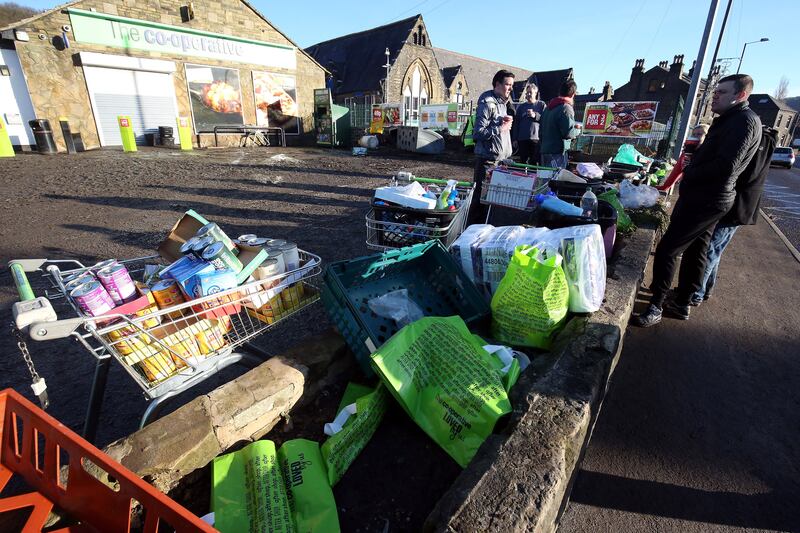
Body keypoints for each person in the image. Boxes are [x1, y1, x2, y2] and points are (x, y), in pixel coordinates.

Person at [633, 74, 762, 327]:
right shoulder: (730, 120)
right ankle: (682, 302)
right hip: (707, 197)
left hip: (706, 199)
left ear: (740, 95)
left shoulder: (743, 123)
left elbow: (727, 166)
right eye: (715, 91)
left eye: (722, 92)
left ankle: (656, 305)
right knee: (697, 250)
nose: (715, 96)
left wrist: (691, 170)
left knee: (668, 250)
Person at [691, 126, 777, 304]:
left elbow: (744, 174)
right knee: (716, 249)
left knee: (711, 249)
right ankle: (705, 289)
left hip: (736, 205)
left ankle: (696, 295)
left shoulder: (759, 140)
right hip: (737, 204)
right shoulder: (763, 139)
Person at [470, 69, 514, 224]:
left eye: (511, 85)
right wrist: (500, 128)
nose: (510, 88)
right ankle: (470, 233)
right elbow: (478, 133)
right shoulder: (487, 102)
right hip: (487, 161)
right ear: (497, 84)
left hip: (498, 161)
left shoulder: (502, 103)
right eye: (508, 84)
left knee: (491, 202)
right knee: (480, 201)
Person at [539, 79, 581, 169]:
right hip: (557, 152)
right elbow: (568, 133)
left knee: (544, 179)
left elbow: (541, 130)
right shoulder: (566, 108)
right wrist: (577, 130)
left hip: (544, 151)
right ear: (573, 94)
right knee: (555, 179)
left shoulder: (548, 108)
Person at [512, 83, 546, 165]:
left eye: (530, 92)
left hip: (536, 139)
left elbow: (546, 120)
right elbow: (516, 124)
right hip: (522, 139)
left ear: (536, 93)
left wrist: (535, 116)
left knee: (534, 163)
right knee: (523, 163)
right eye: (527, 92)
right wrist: (514, 139)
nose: (528, 94)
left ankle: (534, 178)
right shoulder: (521, 107)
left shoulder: (541, 105)